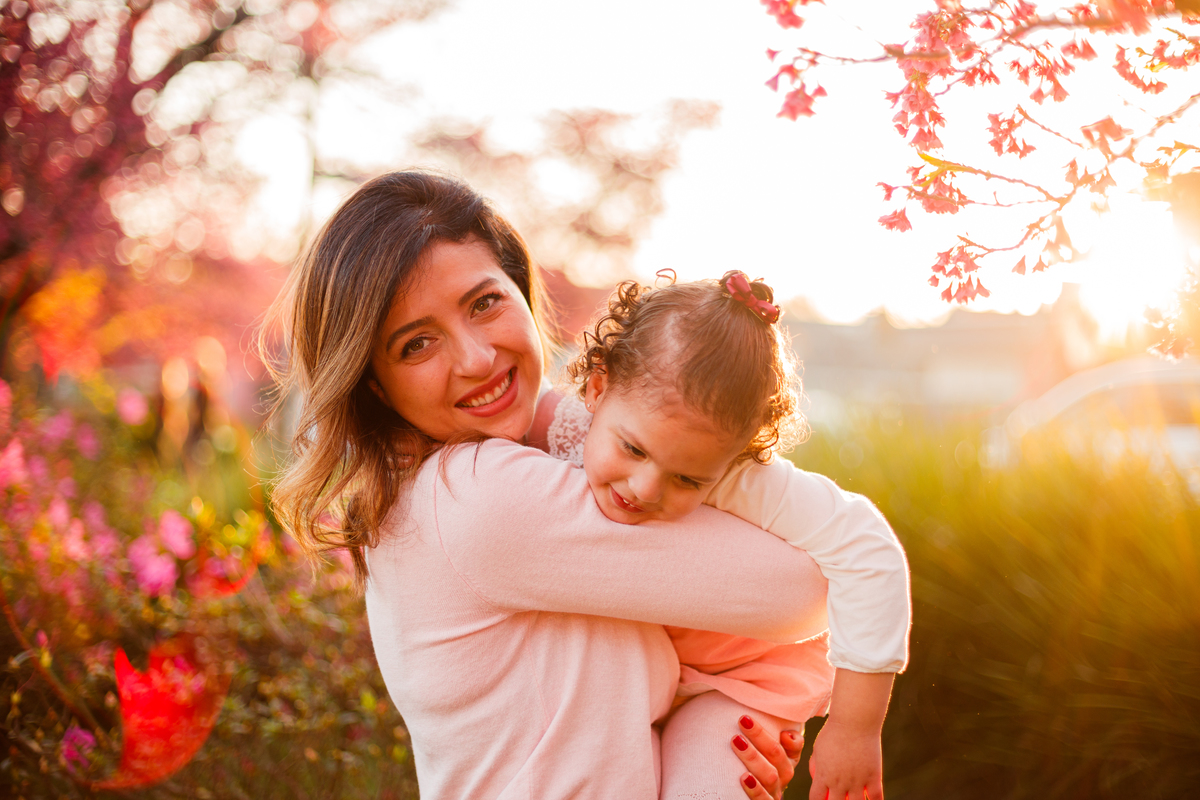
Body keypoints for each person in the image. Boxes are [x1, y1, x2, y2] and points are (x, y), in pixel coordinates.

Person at [263, 170, 891, 799]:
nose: (477, 359)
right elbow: (802, 589)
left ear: (519, 287)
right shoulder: (474, 496)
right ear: (372, 382)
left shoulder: (454, 481)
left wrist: (713, 736)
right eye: (417, 343)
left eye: (484, 303)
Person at [533, 272, 910, 800]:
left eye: (688, 479)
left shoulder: (742, 478)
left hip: (740, 685)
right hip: (641, 677)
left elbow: (869, 549)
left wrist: (854, 728)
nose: (644, 488)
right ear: (597, 387)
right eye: (634, 450)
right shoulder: (556, 427)